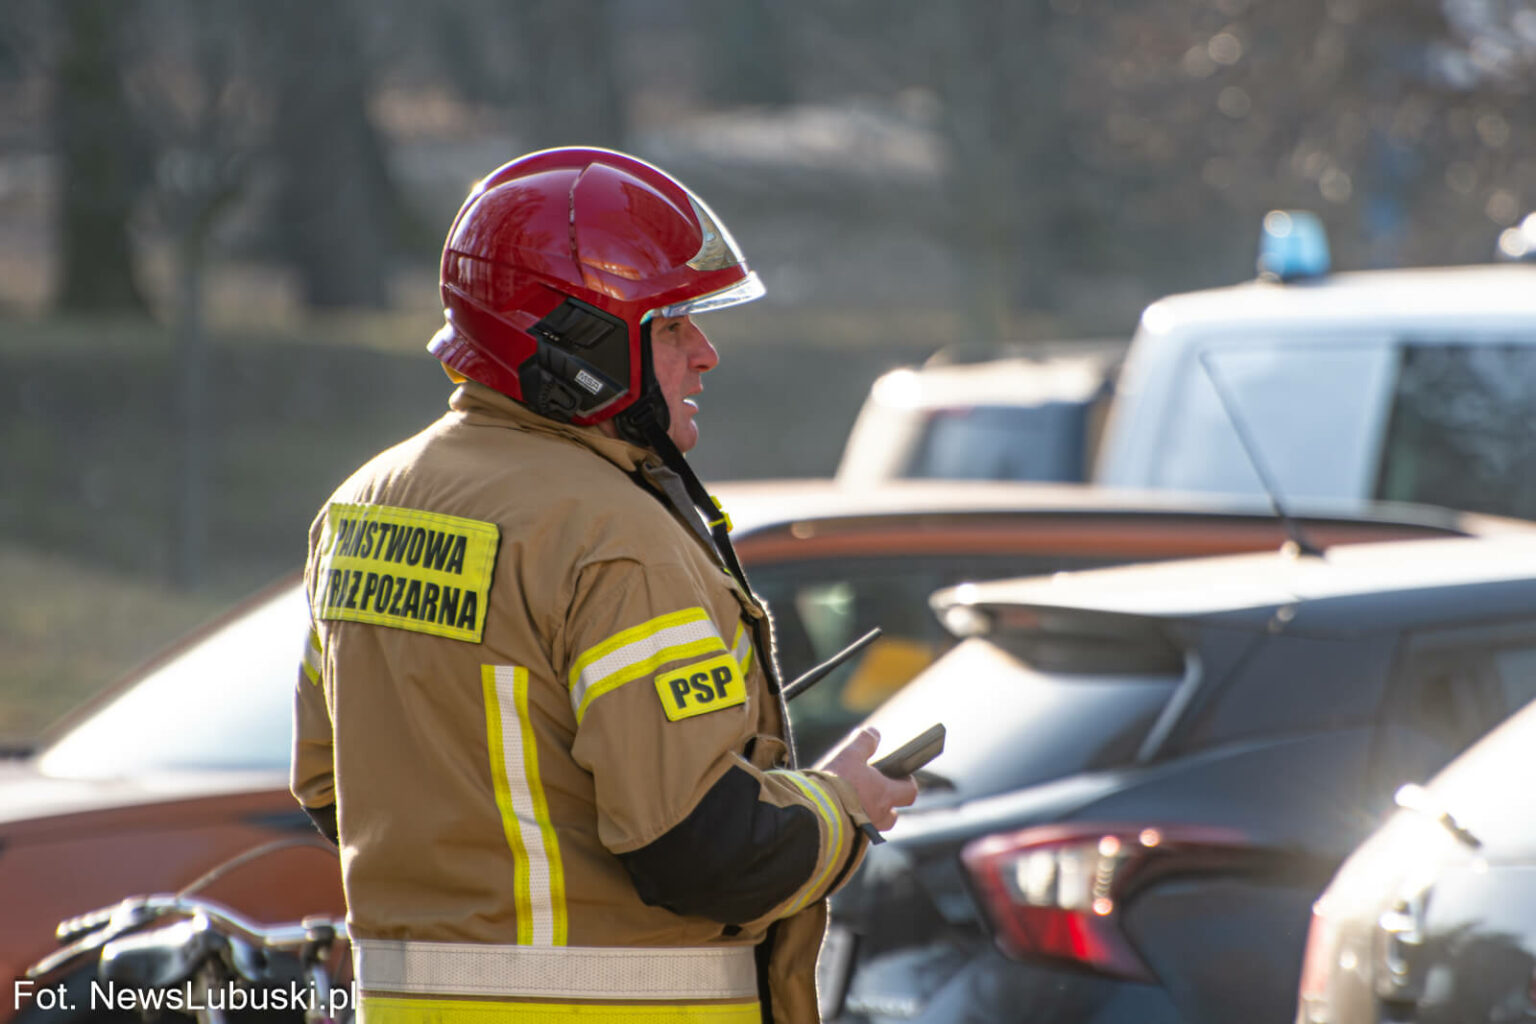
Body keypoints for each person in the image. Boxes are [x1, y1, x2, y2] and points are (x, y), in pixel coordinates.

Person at [291, 147, 917, 1024]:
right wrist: (843, 804)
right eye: (671, 326)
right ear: (578, 343)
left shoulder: (361, 507)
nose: (705, 355)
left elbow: (331, 787)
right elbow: (699, 849)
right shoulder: (614, 541)